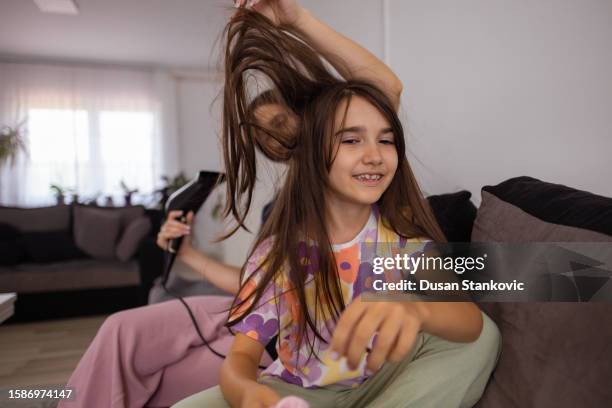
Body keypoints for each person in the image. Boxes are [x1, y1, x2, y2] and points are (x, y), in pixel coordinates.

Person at [172, 1, 501, 408]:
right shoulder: (278, 250)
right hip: (298, 392)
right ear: (309, 152)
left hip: (384, 381)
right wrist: (243, 388)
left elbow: (470, 321)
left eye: (386, 140)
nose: (375, 154)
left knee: (484, 336)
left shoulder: (400, 241)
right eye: (351, 140)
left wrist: (419, 312)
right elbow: (242, 356)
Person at [59, 95, 295, 408]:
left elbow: (263, 285)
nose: (273, 139)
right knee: (119, 329)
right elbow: (259, 282)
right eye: (261, 135)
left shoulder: (344, 199)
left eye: (278, 123)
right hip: (254, 315)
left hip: (275, 338)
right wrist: (185, 252)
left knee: (150, 386)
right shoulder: (276, 205)